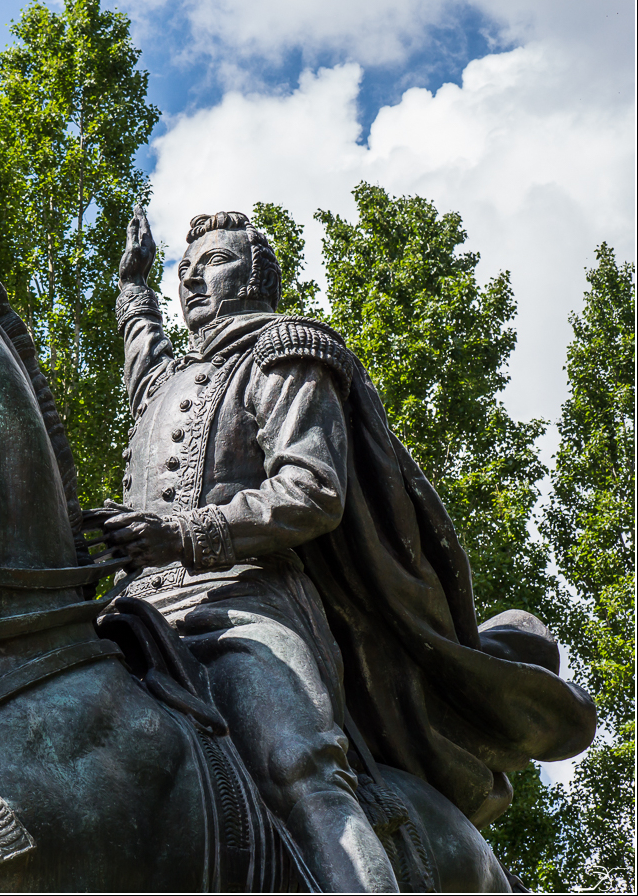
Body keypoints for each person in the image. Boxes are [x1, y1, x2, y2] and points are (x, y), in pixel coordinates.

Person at [95, 206, 596, 892]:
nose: (192, 280)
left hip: (247, 608)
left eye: (212, 262)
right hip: (133, 615)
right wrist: (133, 290)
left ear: (257, 276)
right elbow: (144, 360)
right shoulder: (168, 381)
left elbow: (311, 491)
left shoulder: (286, 350)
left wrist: (186, 535)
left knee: (300, 765)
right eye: (185, 270)